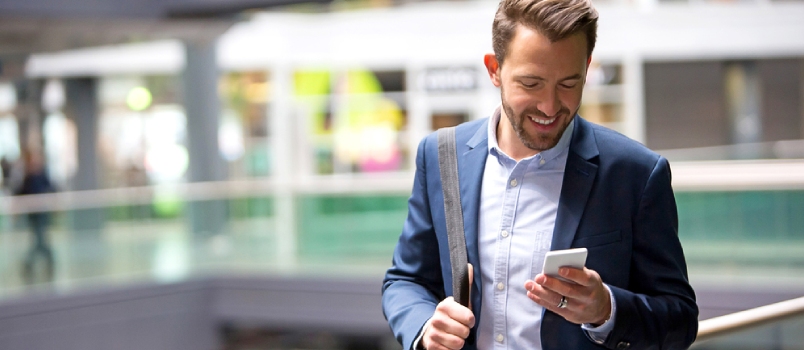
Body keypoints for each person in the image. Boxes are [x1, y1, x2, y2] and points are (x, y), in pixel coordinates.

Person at [381, 0, 698, 349]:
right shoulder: (441, 155)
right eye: (531, 84)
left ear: (587, 68)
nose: (549, 106)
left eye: (568, 83)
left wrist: (606, 309)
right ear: (494, 69)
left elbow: (680, 320)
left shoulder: (635, 174)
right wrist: (427, 327)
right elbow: (405, 280)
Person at [14, 149, 56, 282]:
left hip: (43, 213)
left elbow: (52, 189)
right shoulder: (27, 178)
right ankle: (41, 261)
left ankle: (41, 262)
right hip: (33, 215)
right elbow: (20, 194)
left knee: (40, 240)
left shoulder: (42, 175)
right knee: (39, 240)